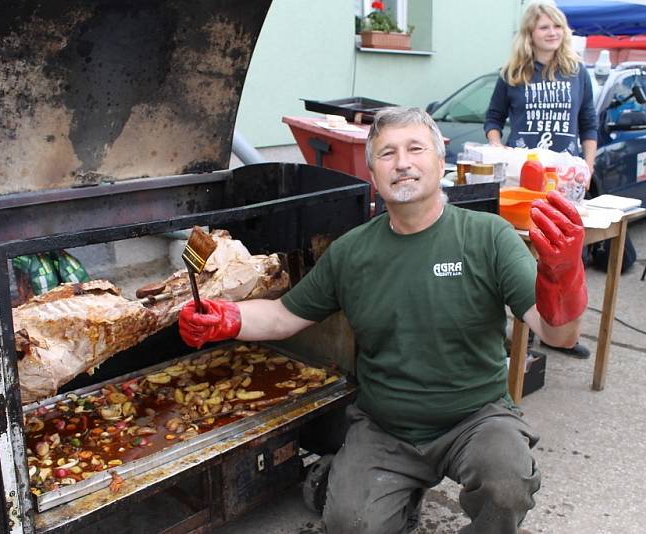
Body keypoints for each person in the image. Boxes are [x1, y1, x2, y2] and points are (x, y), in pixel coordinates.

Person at [179, 107, 587, 534]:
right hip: (386, 427)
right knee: (350, 524)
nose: (403, 162)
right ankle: (380, 489)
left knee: (507, 486)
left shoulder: (489, 237)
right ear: (373, 175)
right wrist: (226, 317)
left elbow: (559, 333)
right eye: (387, 154)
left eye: (415, 148)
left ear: (439, 161)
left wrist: (563, 277)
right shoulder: (352, 253)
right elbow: (283, 316)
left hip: (475, 418)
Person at [484, 1, 596, 359]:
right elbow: (493, 118)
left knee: (564, 256)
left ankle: (563, 330)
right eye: (544, 27)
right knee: (523, 253)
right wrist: (499, 150)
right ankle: (526, 331)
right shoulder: (512, 73)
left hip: (563, 181)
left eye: (557, 27)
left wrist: (588, 165)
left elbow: (589, 122)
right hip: (523, 180)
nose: (551, 33)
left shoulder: (577, 72)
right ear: (530, 33)